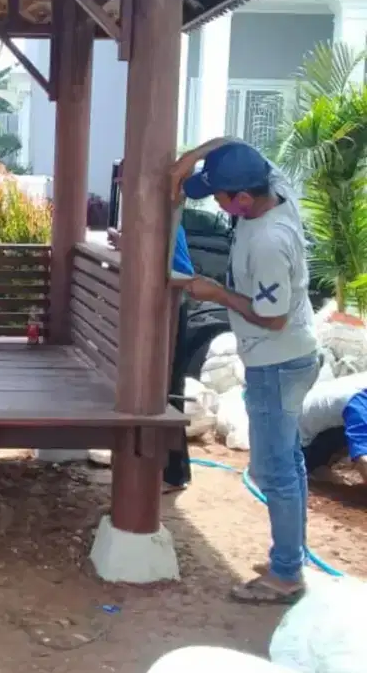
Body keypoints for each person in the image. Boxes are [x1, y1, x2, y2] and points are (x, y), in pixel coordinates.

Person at [172, 139, 319, 604]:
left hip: (276, 360)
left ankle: (286, 575)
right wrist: (200, 155)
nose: (215, 204)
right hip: (291, 355)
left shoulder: (269, 241)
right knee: (288, 464)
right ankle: (289, 555)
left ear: (243, 199)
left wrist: (218, 294)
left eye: (219, 197)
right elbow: (239, 147)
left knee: (274, 471)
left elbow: (271, 317)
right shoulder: (275, 189)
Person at [108, 218, 196, 493]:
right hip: (161, 310)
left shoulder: (166, 219)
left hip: (171, 309)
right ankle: (170, 470)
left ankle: (173, 471)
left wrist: (127, 245)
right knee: (162, 388)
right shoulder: (154, 216)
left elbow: (173, 269)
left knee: (167, 388)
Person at [300, 371, 367, 483]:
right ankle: (315, 468)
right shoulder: (360, 402)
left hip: (321, 422)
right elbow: (364, 460)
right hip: (299, 444)